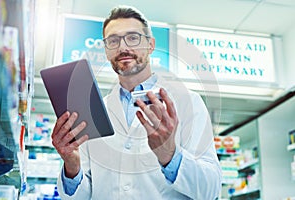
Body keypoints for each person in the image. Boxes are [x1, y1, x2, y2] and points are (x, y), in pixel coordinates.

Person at [52, 5, 222, 200]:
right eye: (113, 41)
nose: (123, 47)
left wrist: (170, 156)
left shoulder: (187, 102)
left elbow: (211, 189)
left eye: (133, 38)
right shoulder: (94, 110)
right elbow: (83, 194)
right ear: (106, 51)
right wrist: (72, 167)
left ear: (150, 45)